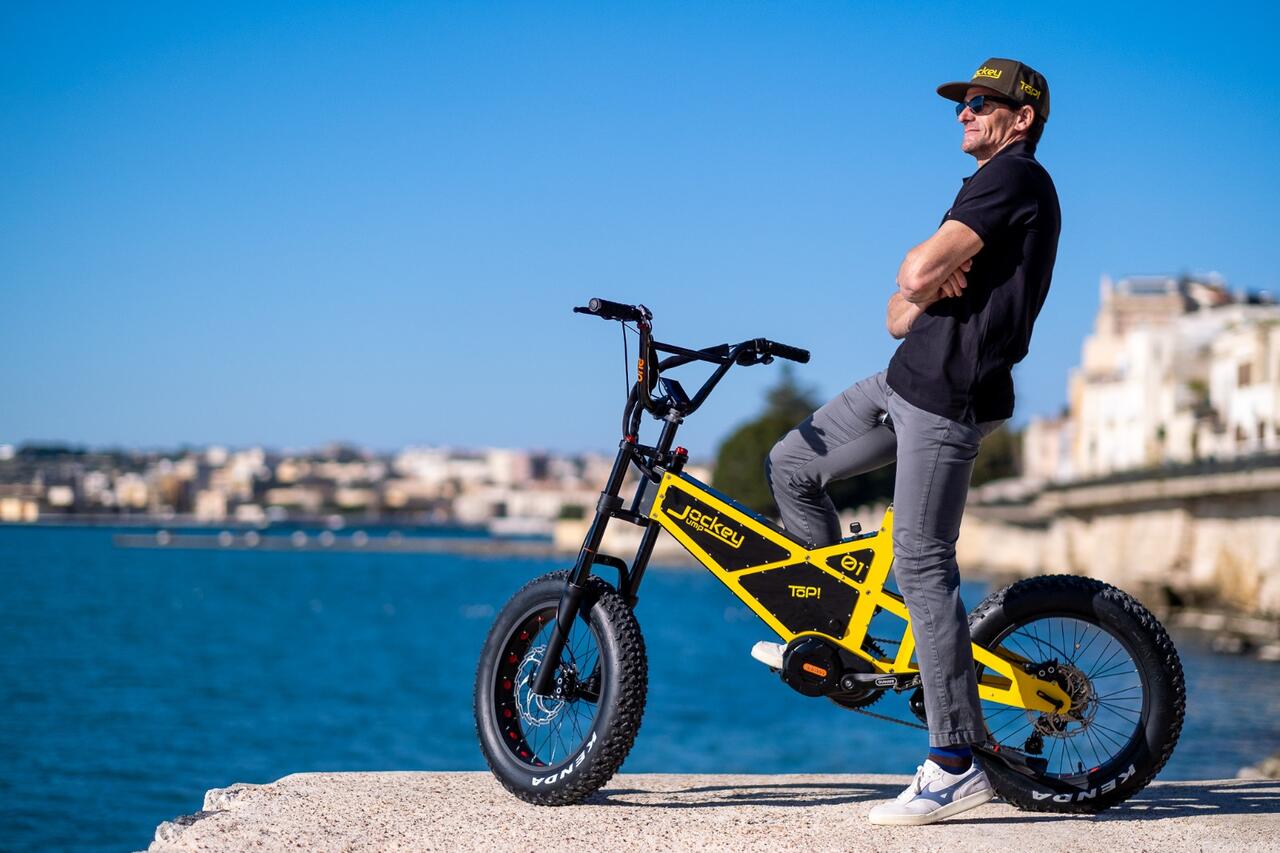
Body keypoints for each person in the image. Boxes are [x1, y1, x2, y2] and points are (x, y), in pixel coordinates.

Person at [752, 58, 1060, 825]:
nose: (964, 112)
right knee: (792, 463)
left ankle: (956, 759)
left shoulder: (1016, 178)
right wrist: (921, 284)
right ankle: (833, 636)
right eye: (962, 102)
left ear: (1021, 117)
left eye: (981, 101)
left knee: (921, 561)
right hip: (901, 382)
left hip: (949, 397)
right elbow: (897, 311)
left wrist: (924, 277)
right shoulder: (982, 185)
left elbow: (914, 273)